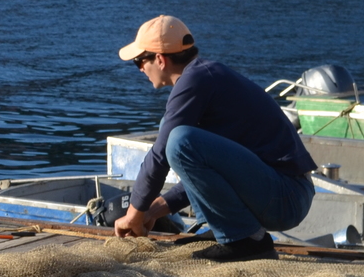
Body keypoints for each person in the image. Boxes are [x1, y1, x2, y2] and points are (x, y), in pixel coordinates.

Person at [113, 15, 317, 262]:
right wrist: (155, 209)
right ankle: (229, 233)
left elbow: (161, 154)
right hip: (282, 193)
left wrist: (135, 213)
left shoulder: (195, 81)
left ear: (160, 59)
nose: (140, 69)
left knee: (178, 139)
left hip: (286, 196)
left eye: (139, 61)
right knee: (175, 134)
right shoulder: (205, 76)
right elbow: (210, 171)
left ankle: (247, 242)